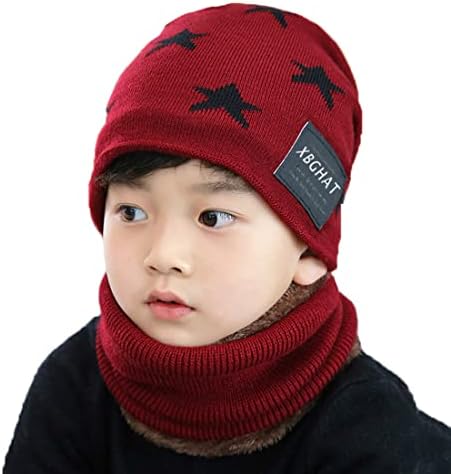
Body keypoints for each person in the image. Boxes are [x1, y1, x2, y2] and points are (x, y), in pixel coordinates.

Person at [3, 3, 451, 472]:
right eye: (132, 212)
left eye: (214, 218)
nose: (163, 255)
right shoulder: (74, 386)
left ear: (309, 250)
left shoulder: (370, 431)